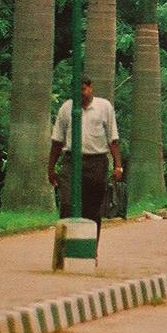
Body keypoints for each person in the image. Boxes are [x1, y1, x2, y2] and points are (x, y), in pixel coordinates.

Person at [48, 76, 123, 239]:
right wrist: (51, 168)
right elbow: (57, 141)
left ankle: (90, 248)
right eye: (76, 90)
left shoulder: (104, 107)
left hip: (96, 162)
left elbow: (113, 139)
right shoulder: (66, 108)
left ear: (90, 88)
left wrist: (118, 165)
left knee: (92, 209)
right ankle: (67, 245)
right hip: (71, 161)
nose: (80, 94)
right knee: (67, 204)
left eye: (83, 89)